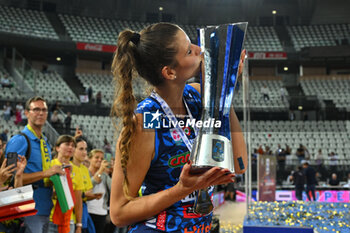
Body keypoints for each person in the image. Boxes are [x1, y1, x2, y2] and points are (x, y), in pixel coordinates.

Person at [109, 23, 247, 232]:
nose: (200, 50)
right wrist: (181, 190)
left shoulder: (196, 96)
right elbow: (119, 213)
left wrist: (222, 91)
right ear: (170, 72)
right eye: (189, 50)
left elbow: (239, 165)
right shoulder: (146, 121)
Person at [5, 96, 65, 233]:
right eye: (36, 109)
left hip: (45, 207)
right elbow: (9, 178)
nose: (41, 113)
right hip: (26, 208)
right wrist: (45, 174)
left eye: (44, 110)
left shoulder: (44, 141)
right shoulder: (18, 140)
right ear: (26, 113)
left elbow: (45, 175)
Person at [48, 135, 83, 233]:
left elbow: (78, 199)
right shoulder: (49, 165)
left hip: (68, 220)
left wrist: (79, 225)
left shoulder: (77, 170)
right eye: (67, 144)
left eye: (73, 145)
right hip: (49, 217)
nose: (71, 147)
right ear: (57, 147)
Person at [72, 137, 101, 233]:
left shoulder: (84, 169)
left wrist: (92, 196)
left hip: (81, 211)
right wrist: (84, 194)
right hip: (69, 211)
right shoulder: (67, 167)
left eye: (86, 149)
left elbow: (88, 192)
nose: (84, 152)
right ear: (73, 149)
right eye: (81, 149)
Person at [87, 149, 111, 233]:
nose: (99, 160)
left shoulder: (105, 175)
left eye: (102, 158)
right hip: (87, 212)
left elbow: (113, 188)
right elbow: (89, 185)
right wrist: (100, 170)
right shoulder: (85, 172)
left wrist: (114, 171)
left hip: (101, 213)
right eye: (96, 157)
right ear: (89, 159)